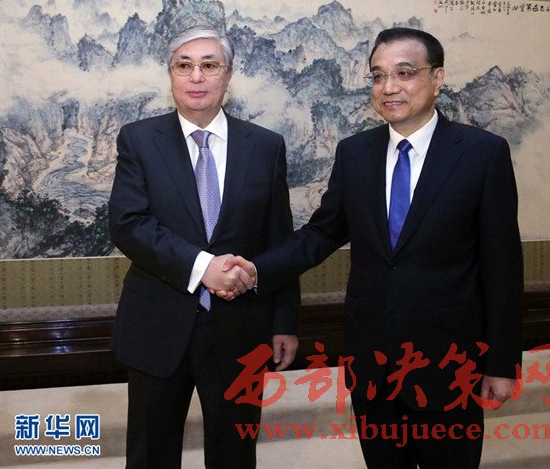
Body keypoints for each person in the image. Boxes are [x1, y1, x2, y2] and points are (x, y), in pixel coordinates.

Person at [219, 27, 523, 468]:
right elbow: (321, 234)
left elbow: (503, 267)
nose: (389, 87)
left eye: (404, 73)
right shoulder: (356, 153)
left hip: (450, 367)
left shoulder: (482, 153)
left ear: (437, 78)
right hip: (373, 367)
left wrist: (501, 362)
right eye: (378, 76)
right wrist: (256, 269)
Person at [108, 24, 300, 468]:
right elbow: (129, 225)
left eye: (209, 65)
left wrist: (285, 321)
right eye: (184, 65)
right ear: (171, 74)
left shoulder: (265, 146)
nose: (196, 76)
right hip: (158, 325)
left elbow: (279, 239)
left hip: (242, 330)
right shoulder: (139, 140)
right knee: (151, 455)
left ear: (228, 75)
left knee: (235, 456)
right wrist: (203, 267)